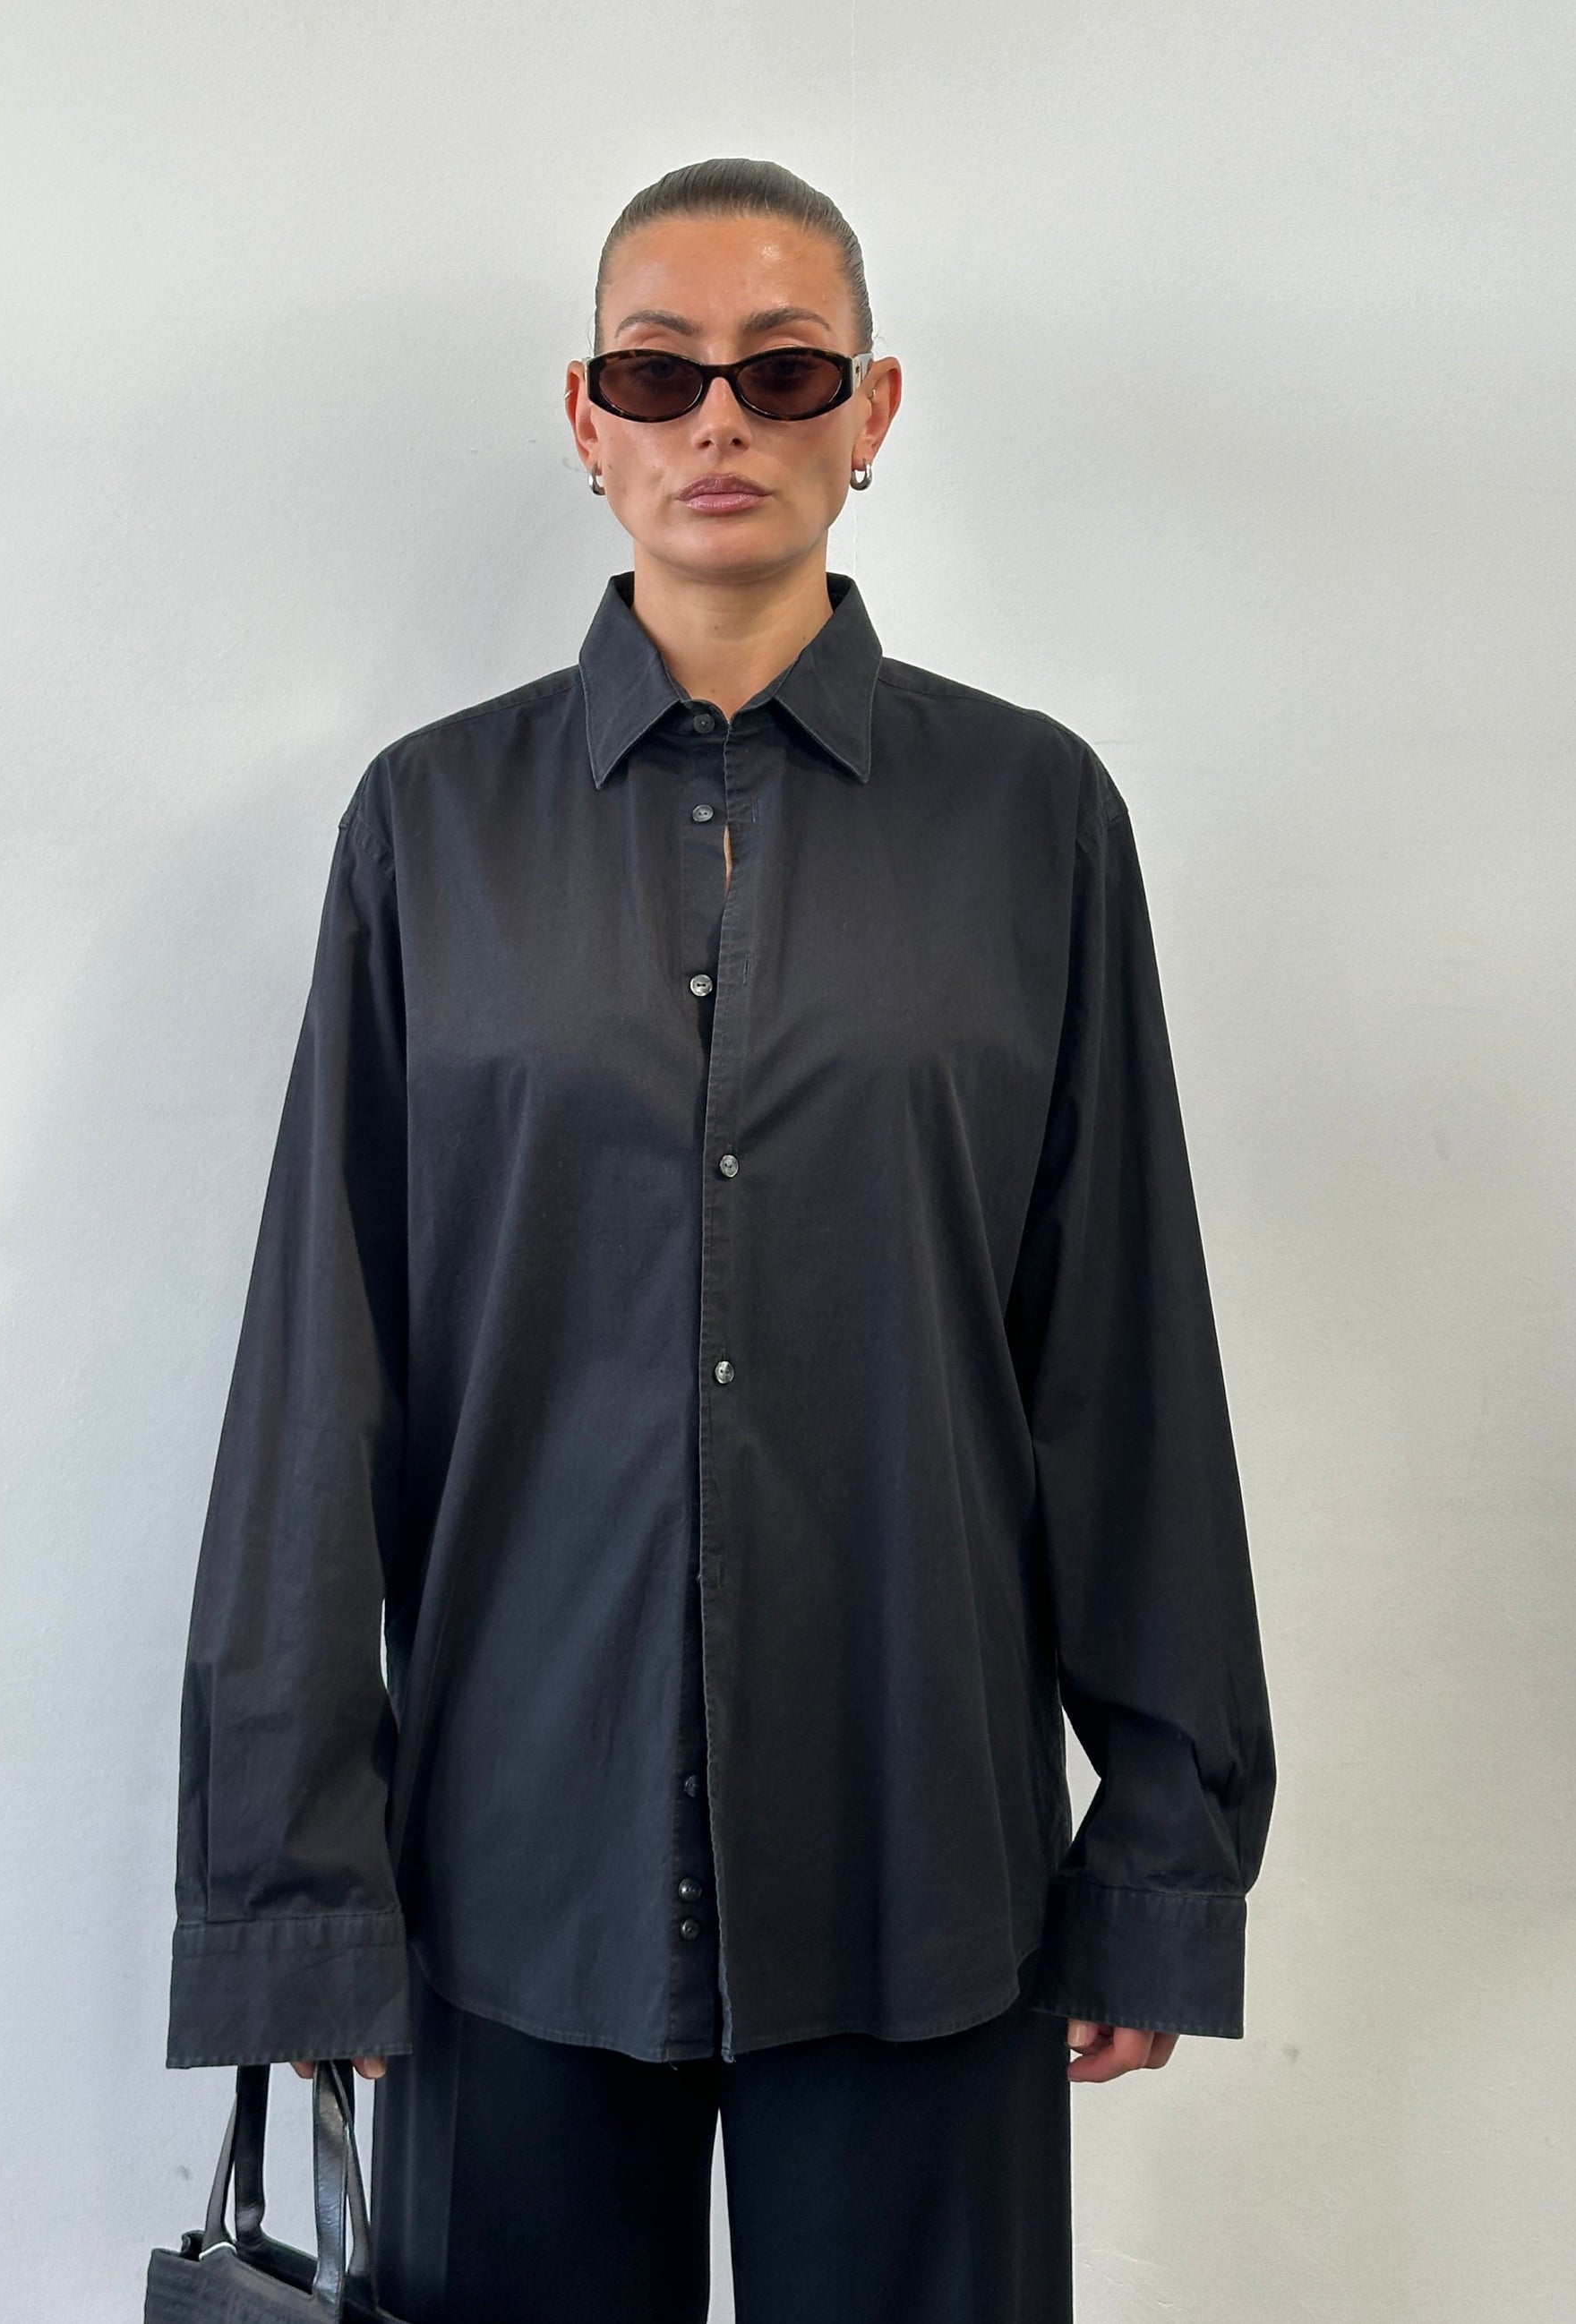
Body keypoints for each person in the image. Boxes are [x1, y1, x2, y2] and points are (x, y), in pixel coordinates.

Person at [166, 157, 1275, 2323]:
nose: (718, 421)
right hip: (506, 1876)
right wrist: (294, 1894)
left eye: (780, 371)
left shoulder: (1033, 820)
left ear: (872, 411)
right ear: (584, 419)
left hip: (918, 1862)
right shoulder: (430, 827)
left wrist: (1161, 1843)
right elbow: (323, 1368)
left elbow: (1119, 1356)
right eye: (658, 372)